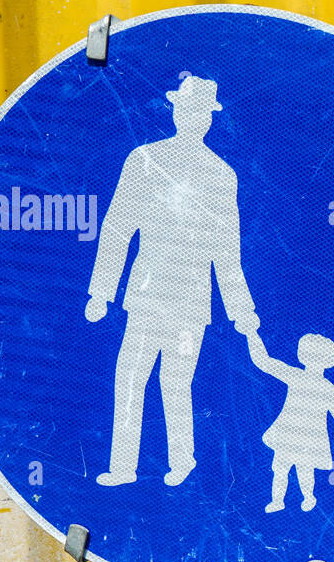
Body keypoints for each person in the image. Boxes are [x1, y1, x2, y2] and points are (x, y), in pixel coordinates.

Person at [84, 75, 259, 487]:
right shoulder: (144, 160)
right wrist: (100, 291)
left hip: (190, 304)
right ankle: (123, 467)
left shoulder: (222, 175)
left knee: (176, 382)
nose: (192, 118)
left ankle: (181, 463)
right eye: (186, 109)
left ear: (209, 120)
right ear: (175, 111)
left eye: (200, 113)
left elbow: (227, 252)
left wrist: (242, 311)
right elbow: (117, 228)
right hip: (146, 297)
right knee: (130, 377)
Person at [246, 332, 334, 512]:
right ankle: (280, 501)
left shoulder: (323, 386)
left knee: (300, 470)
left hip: (303, 437)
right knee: (283, 468)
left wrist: (252, 335)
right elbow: (265, 363)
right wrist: (252, 336)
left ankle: (306, 497)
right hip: (290, 434)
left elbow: (265, 362)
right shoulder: (308, 380)